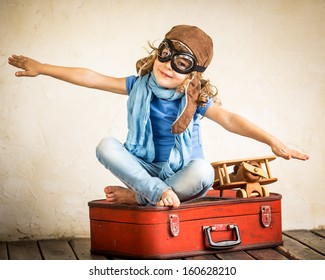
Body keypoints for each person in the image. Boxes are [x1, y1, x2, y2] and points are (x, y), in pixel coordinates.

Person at [8, 25, 309, 208]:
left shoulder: (193, 99)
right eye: (166, 53)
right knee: (105, 145)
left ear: (192, 74)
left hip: (180, 173)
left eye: (181, 63)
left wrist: (273, 141)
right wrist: (43, 67)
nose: (168, 65)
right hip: (144, 167)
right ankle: (152, 190)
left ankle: (139, 196)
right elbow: (92, 77)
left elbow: (230, 119)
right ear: (158, 52)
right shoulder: (138, 85)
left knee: (204, 172)